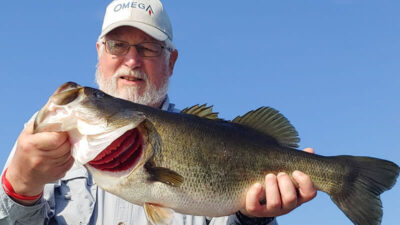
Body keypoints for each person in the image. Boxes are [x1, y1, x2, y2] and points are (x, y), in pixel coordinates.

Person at [0, 0, 317, 224]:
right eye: (117, 45)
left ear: (172, 60)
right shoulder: (41, 147)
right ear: (99, 51)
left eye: (149, 48)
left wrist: (252, 220)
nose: (132, 61)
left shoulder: (200, 136)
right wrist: (21, 188)